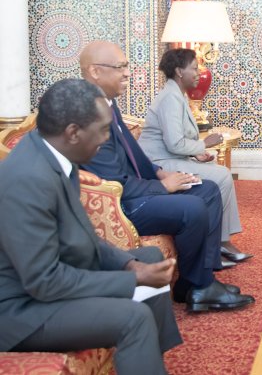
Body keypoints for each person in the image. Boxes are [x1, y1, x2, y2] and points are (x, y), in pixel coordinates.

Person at [0, 79, 181, 374]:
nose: (107, 138)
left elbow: (84, 234)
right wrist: (132, 279)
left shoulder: (57, 156)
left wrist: (131, 266)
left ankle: (148, 361)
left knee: (149, 257)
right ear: (73, 133)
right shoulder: (27, 181)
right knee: (133, 318)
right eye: (103, 129)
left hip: (52, 279)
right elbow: (44, 281)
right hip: (20, 311)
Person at [79, 41, 253, 311]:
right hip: (124, 203)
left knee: (207, 190)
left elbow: (134, 153)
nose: (127, 73)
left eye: (127, 66)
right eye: (120, 67)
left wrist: (160, 172)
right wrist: (162, 187)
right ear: (95, 71)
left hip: (139, 187)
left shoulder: (108, 104)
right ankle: (200, 286)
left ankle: (195, 283)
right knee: (192, 207)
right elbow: (115, 182)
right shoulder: (88, 113)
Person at [138, 48, 251, 263]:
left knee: (219, 171)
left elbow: (176, 141)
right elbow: (174, 143)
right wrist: (204, 144)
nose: (198, 73)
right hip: (159, 164)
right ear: (179, 71)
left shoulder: (177, 95)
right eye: (194, 68)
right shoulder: (170, 98)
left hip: (170, 157)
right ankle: (217, 243)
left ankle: (220, 241)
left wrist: (197, 154)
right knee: (222, 176)